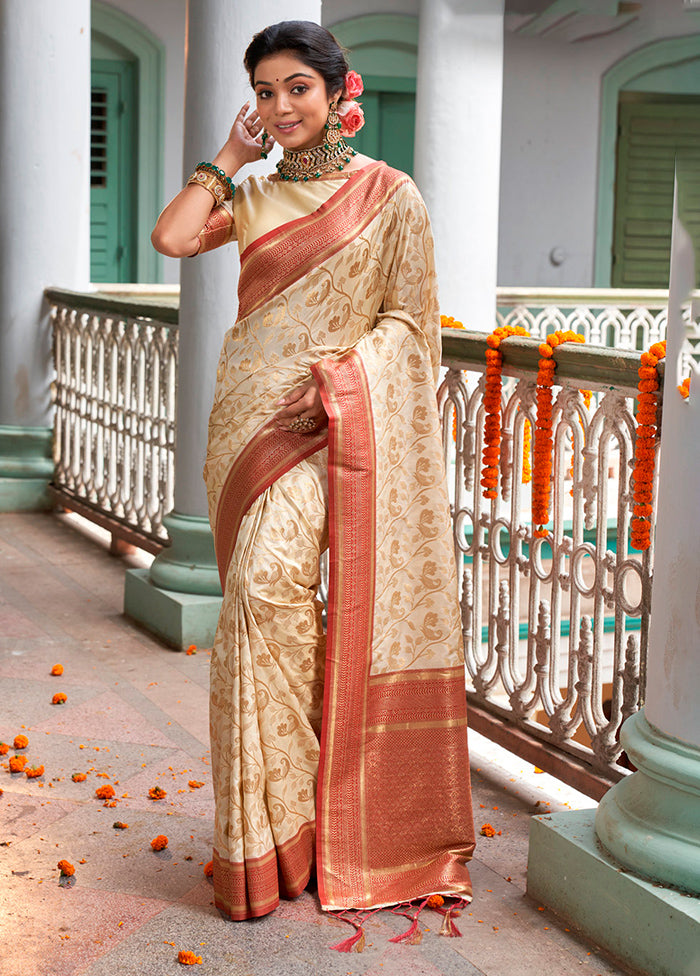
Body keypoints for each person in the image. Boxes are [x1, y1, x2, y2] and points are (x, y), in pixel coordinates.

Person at [152, 20, 475, 933]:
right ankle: (281, 833)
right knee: (267, 618)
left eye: (298, 87)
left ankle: (306, 818)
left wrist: (336, 387)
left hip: (332, 424)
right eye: (264, 92)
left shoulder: (390, 196)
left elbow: (412, 327)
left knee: (265, 590)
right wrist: (226, 154)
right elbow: (172, 238)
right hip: (247, 425)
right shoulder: (250, 197)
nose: (281, 106)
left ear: (341, 91)